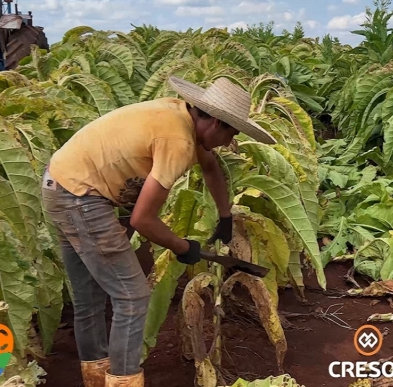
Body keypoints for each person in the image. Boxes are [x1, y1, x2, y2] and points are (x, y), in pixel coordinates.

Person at [40, 76, 276, 387]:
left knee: (89, 298)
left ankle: (96, 378)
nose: (228, 142)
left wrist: (224, 214)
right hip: (80, 198)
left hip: (58, 183)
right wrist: (182, 247)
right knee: (133, 297)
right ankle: (124, 380)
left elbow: (210, 167)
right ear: (216, 123)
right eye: (231, 132)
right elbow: (142, 220)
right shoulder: (179, 142)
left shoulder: (181, 115)